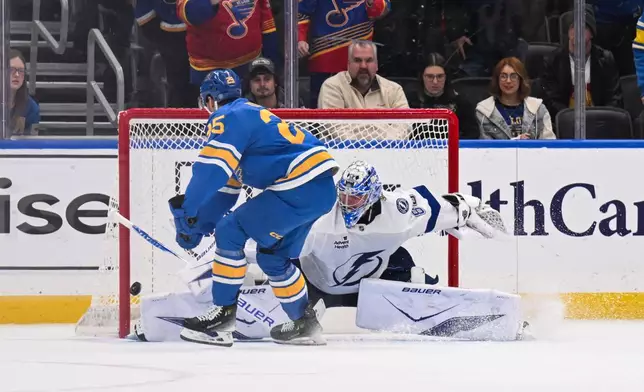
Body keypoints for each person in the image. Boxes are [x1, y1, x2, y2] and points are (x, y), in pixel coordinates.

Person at [134, 161, 527, 343]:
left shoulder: (399, 211)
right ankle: (169, 317)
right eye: (346, 194)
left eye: (358, 195)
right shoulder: (317, 217)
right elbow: (247, 248)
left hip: (377, 277)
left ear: (374, 193)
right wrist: (210, 265)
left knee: (421, 284)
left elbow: (458, 205)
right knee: (264, 298)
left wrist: (493, 227)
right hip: (316, 282)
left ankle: (491, 317)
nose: (350, 201)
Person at [168, 69, 339, 347]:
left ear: (210, 100)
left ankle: (221, 319)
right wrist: (199, 224)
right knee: (272, 257)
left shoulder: (226, 117)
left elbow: (210, 170)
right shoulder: (248, 116)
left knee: (229, 231)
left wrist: (187, 212)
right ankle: (304, 323)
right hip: (320, 190)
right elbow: (226, 192)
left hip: (298, 184)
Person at [297, 0, 390, 108]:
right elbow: (301, 12)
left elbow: (380, 11)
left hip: (360, 56)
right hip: (324, 57)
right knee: (322, 105)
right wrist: (300, 39)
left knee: (361, 104)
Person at [543, 5, 622, 119]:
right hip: (565, 124)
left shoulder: (605, 59)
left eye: (583, 27)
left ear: (592, 33)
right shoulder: (553, 60)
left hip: (600, 123)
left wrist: (601, 118)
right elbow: (551, 102)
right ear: (569, 31)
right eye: (574, 27)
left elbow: (615, 99)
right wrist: (571, 119)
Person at [176, 0, 279, 86]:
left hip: (251, 66)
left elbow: (266, 21)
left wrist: (273, 63)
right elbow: (193, 15)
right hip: (208, 70)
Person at [477, 57, 555, 140]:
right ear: (497, 80)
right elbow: (485, 149)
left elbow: (549, 143)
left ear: (521, 80)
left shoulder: (538, 108)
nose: (508, 81)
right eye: (503, 76)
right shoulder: (484, 111)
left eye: (513, 76)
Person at [317, 40, 408, 110]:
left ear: (376, 65)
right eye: (357, 60)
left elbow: (404, 126)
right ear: (348, 64)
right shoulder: (332, 87)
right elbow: (335, 128)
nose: (363, 66)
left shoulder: (394, 90)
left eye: (369, 60)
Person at [408, 53, 479, 140]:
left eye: (440, 76)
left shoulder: (461, 102)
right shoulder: (410, 101)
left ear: (446, 77)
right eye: (430, 76)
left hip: (452, 150)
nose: (435, 81)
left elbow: (472, 134)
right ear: (422, 77)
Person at [8, 49, 39, 136]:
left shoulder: (31, 107)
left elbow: (32, 142)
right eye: (11, 70)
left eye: (21, 70)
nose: (17, 75)